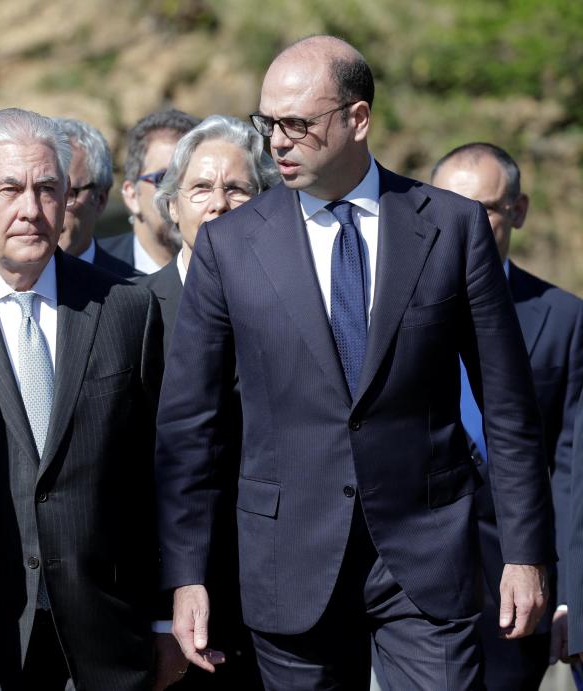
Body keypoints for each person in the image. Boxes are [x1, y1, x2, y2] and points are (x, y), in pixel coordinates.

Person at [156, 35, 553, 690]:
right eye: (267, 123)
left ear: (358, 119)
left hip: (427, 554)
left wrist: (525, 552)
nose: (276, 141)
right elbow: (189, 429)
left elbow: (509, 406)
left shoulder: (450, 229)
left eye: (296, 124)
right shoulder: (230, 246)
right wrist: (187, 575)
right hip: (290, 558)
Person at [0, 107, 170, 690]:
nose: (31, 208)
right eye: (10, 189)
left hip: (103, 640)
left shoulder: (126, 308)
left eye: (47, 188)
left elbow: (154, 475)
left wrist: (164, 616)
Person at [431, 142, 583, 689]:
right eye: (452, 207)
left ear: (518, 211)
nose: (467, 224)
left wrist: (572, 600)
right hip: (411, 575)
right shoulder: (388, 310)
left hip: (517, 586)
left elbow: (572, 473)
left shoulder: (564, 320)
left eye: (486, 209)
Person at [142, 114, 277, 690]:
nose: (218, 204)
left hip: (274, 593)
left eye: (237, 188)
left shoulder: (293, 313)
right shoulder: (132, 312)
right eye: (200, 188)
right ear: (172, 206)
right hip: (167, 600)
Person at [98, 108, 199, 275]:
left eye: (196, 181)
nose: (181, 194)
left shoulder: (234, 272)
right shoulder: (95, 273)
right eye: (165, 179)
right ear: (131, 195)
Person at [53, 117, 137, 278]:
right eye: (43, 189)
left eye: (68, 194)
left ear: (100, 199)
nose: (40, 209)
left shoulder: (137, 291)